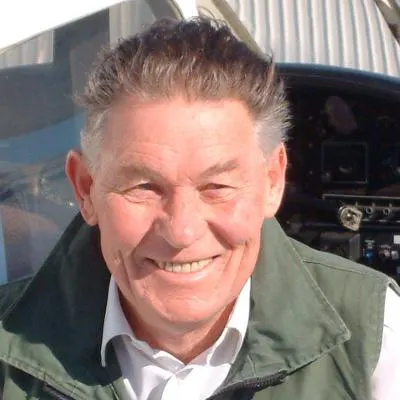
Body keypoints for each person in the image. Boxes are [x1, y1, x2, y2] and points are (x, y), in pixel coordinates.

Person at [0, 17, 399, 400]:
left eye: (217, 187)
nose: (181, 231)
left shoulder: (375, 342)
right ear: (86, 189)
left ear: (272, 181)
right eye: (144, 187)